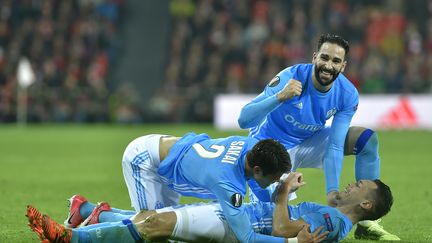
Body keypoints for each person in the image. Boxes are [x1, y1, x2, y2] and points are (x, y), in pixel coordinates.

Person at [237, 33, 399, 240]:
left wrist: (332, 191)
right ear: (314, 57)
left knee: (366, 139)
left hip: (309, 141)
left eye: (336, 61)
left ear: (343, 66)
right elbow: (244, 120)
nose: (328, 66)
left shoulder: (347, 94)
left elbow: (335, 145)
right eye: (324, 58)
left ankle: (367, 224)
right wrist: (280, 97)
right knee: (271, 215)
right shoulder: (290, 77)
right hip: (271, 148)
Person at [25, 173, 394, 243]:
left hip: (235, 224)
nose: (350, 183)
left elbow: (285, 231)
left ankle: (70, 237)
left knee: (154, 225)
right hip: (237, 221)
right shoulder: (336, 220)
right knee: (158, 224)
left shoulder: (332, 221)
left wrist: (281, 193)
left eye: (358, 186)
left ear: (365, 203)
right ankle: (87, 210)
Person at [118, 132, 292, 242]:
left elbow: (257, 183)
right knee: (149, 227)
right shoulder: (227, 184)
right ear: (257, 170)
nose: (275, 182)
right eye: (273, 179)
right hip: (144, 159)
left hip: (165, 154)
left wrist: (281, 196)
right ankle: (93, 230)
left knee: (161, 225)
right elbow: (246, 237)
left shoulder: (253, 146)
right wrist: (293, 241)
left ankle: (101, 215)